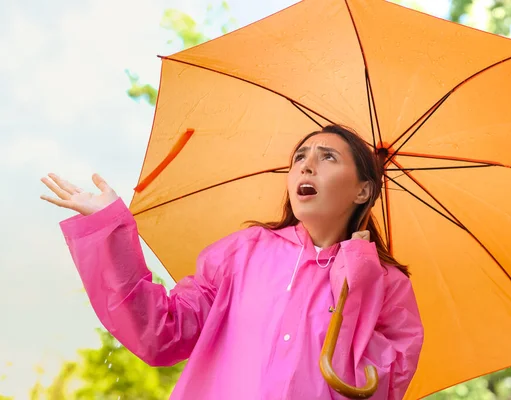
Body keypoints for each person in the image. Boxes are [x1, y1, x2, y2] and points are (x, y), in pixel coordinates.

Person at [40, 124, 424, 399]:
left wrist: (357, 281)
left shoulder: (386, 285)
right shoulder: (243, 253)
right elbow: (160, 332)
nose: (306, 166)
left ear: (363, 190)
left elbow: (373, 388)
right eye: (300, 158)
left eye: (328, 158)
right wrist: (108, 227)